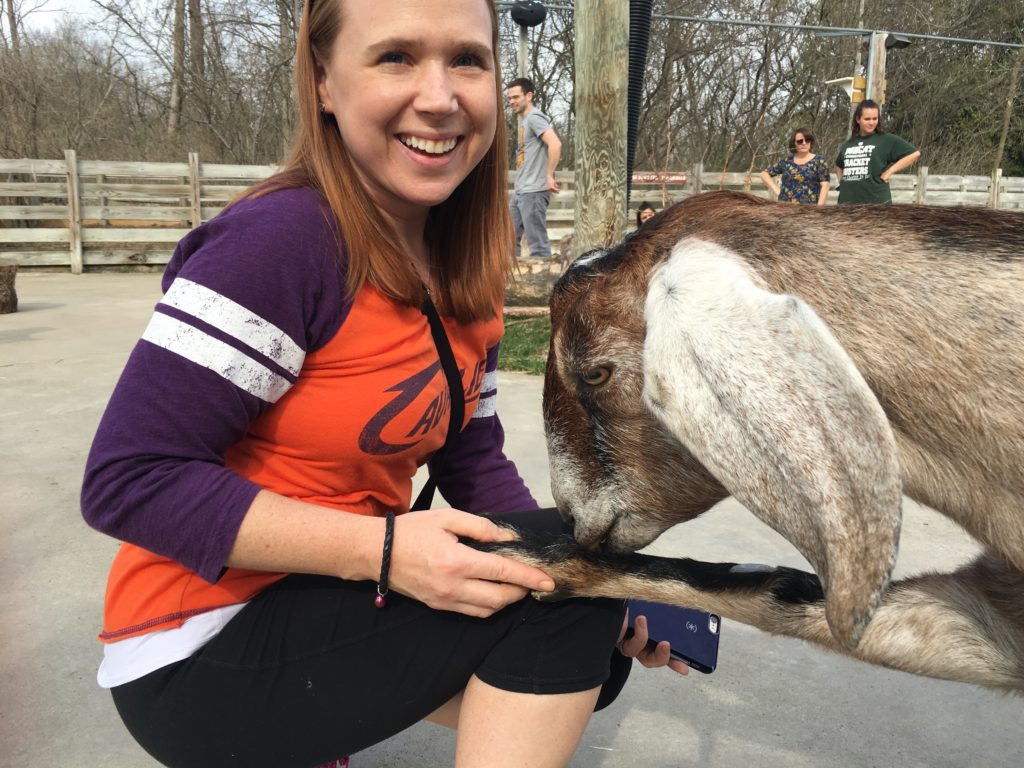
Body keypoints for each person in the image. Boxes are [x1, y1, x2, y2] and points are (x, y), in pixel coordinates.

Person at [80, 2, 684, 767]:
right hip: (195, 642)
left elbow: (472, 463)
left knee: (589, 628)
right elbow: (127, 481)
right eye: (395, 56)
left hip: (322, 597)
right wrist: (386, 548)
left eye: (468, 60)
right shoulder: (281, 243)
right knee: (558, 612)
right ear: (324, 82)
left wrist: (599, 584)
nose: (440, 96)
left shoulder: (462, 261)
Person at [507, 76, 562, 259]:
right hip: (521, 191)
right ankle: (510, 283)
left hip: (534, 190)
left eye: (516, 97)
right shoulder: (525, 122)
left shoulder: (534, 117)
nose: (512, 102)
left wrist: (549, 176)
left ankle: (546, 283)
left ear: (529, 95)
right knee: (507, 240)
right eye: (509, 98)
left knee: (537, 245)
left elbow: (555, 144)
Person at [834, 99, 921, 204]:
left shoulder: (886, 140)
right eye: (867, 119)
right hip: (846, 204)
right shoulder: (849, 144)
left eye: (875, 118)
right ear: (858, 119)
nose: (871, 123)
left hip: (876, 204)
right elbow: (838, 165)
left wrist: (889, 172)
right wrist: (841, 182)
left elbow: (914, 154)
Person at [758, 128, 831, 206]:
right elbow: (764, 174)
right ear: (794, 143)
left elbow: (825, 185)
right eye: (800, 141)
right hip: (785, 209)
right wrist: (777, 190)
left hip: (810, 211)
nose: (804, 143)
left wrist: (819, 209)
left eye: (807, 140)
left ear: (811, 142)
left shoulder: (819, 161)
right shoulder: (786, 162)